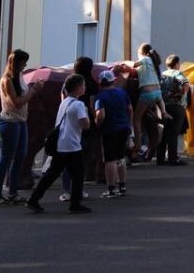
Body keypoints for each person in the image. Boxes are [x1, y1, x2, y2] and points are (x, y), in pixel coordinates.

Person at [26, 74, 91, 214]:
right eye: (83, 85)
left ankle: (33, 199)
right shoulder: (79, 104)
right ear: (78, 88)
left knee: (51, 174)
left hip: (60, 143)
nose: (85, 87)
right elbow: (85, 125)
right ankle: (75, 204)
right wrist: (86, 114)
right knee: (78, 174)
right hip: (72, 144)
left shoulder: (64, 102)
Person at [0, 49, 43, 205]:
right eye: (23, 62)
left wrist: (32, 88)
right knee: (6, 158)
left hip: (21, 121)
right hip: (9, 122)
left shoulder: (19, 76)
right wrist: (34, 90)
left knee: (20, 157)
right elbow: (17, 103)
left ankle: (13, 193)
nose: (25, 65)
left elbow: (23, 96)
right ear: (16, 63)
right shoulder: (6, 80)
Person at [61, 56, 98, 202]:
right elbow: (92, 106)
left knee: (66, 162)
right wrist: (94, 120)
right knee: (81, 160)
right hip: (84, 122)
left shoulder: (68, 82)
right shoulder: (91, 84)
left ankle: (66, 190)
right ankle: (78, 190)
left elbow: (62, 100)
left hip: (68, 122)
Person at [95, 69, 133, 198]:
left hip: (109, 130)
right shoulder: (122, 92)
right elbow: (130, 109)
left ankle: (111, 189)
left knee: (110, 159)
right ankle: (122, 186)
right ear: (113, 81)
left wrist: (97, 124)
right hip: (124, 128)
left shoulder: (100, 96)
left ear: (101, 83)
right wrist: (129, 124)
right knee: (121, 157)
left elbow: (100, 115)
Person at [132, 43, 166, 161]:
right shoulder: (155, 64)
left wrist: (124, 64)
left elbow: (134, 65)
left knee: (136, 119)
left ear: (142, 53)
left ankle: (137, 145)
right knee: (152, 120)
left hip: (147, 93)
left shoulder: (145, 59)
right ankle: (163, 113)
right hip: (157, 94)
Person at [158, 55, 191, 166]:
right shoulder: (178, 73)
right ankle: (173, 158)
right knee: (173, 133)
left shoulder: (162, 75)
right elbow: (185, 84)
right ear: (177, 64)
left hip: (164, 107)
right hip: (177, 106)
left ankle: (160, 158)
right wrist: (180, 94)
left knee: (165, 132)